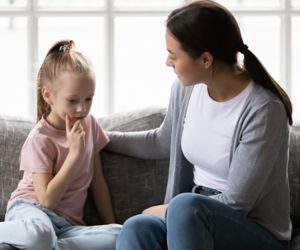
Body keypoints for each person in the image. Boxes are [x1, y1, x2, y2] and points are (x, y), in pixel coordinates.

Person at [105, 1, 293, 250]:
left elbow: (237, 204)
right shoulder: (185, 91)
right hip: (192, 215)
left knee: (184, 207)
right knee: (137, 227)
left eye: (173, 55)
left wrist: (167, 210)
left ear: (205, 59)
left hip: (255, 232)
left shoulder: (263, 109)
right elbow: (163, 141)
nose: (167, 62)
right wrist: (101, 136)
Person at [0, 40, 121, 250]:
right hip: (31, 212)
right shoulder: (40, 139)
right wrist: (74, 155)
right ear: (48, 95)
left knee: (121, 234)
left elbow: (97, 181)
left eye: (88, 99)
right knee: (40, 235)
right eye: (72, 100)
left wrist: (110, 223)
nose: (81, 109)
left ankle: (48, 247)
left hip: (66, 227)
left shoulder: (90, 124)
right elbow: (47, 200)